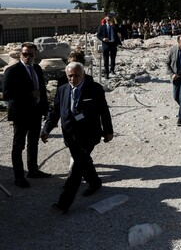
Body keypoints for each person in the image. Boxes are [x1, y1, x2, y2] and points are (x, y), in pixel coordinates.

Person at [41, 62, 113, 214]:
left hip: (89, 135)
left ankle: (63, 204)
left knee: (77, 168)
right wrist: (46, 129)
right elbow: (55, 112)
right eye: (70, 76)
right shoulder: (62, 90)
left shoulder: (94, 89)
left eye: (76, 75)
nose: (73, 79)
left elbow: (104, 111)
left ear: (83, 74)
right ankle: (94, 182)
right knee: (84, 161)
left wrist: (108, 131)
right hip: (70, 136)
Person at [2, 42, 51, 188]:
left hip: (35, 112)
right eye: (25, 54)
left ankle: (33, 170)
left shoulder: (37, 68)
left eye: (31, 54)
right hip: (21, 113)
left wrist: (45, 109)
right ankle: (19, 177)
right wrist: (28, 94)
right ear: (20, 54)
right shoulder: (12, 70)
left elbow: (42, 89)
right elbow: (7, 94)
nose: (27, 57)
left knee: (33, 142)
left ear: (35, 55)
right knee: (18, 145)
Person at [96, 13, 122, 79]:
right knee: (106, 59)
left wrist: (114, 26)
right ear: (105, 20)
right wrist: (103, 39)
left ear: (111, 20)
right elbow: (98, 35)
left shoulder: (114, 26)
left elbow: (119, 31)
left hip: (113, 44)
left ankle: (112, 69)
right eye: (107, 20)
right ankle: (106, 73)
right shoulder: (102, 27)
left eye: (110, 20)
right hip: (106, 44)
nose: (108, 21)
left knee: (113, 58)